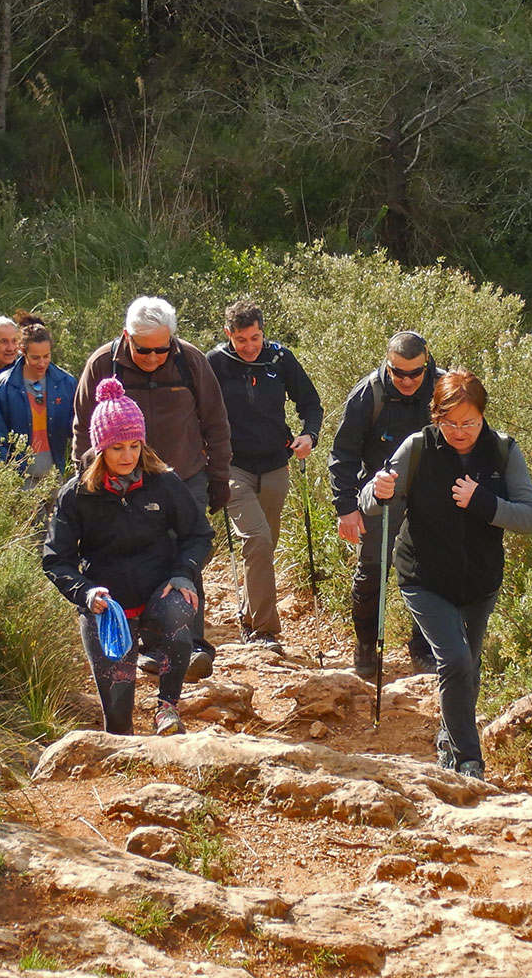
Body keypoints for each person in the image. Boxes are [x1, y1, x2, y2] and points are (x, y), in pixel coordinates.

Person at [364, 370, 532, 779]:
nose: (460, 431)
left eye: (470, 422)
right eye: (450, 422)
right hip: (423, 576)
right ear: (436, 417)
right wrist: (379, 491)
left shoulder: (502, 451)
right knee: (456, 660)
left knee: (470, 667)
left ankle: (449, 735)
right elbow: (371, 500)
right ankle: (467, 759)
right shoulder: (419, 448)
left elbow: (531, 518)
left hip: (479, 581)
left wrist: (482, 501)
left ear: (483, 415)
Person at [43, 377, 213, 736]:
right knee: (118, 723)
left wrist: (183, 573)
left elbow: (198, 534)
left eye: (135, 445)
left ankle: (167, 709)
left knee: (180, 609)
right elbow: (56, 559)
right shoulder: (76, 495)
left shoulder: (163, 483)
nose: (128, 456)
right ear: (101, 448)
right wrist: (86, 593)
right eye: (117, 447)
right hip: (108, 609)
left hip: (158, 596)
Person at [73, 296, 231, 680]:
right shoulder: (102, 364)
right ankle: (151, 644)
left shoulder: (190, 362)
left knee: (186, 555)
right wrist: (87, 480)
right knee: (135, 554)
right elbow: (82, 428)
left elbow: (215, 423)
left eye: (163, 348)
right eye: (144, 350)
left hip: (184, 475)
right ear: (127, 337)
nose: (154, 357)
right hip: (123, 481)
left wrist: (219, 478)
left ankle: (191, 644)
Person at [207, 300, 323, 648]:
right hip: (233, 467)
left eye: (255, 337)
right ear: (229, 335)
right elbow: (193, 406)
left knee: (264, 547)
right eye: (241, 339)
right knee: (256, 540)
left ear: (263, 331)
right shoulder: (214, 363)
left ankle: (248, 615)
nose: (249, 346)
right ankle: (264, 631)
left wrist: (309, 436)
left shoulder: (280, 358)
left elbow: (311, 404)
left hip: (275, 464)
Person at [329, 330, 444, 680]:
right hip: (381, 495)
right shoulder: (370, 393)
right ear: (388, 365)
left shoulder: (443, 389)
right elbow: (343, 453)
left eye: (415, 373)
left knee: (431, 572)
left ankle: (423, 648)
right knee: (373, 571)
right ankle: (366, 644)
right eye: (399, 373)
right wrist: (346, 507)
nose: (407, 380)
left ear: (426, 364)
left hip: (431, 497)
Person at [0, 320, 77, 480]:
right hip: (20, 480)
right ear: (22, 352)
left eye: (46, 356)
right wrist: (1, 478)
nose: (42, 363)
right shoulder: (3, 387)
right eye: (35, 358)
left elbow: (77, 427)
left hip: (56, 476)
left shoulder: (66, 382)